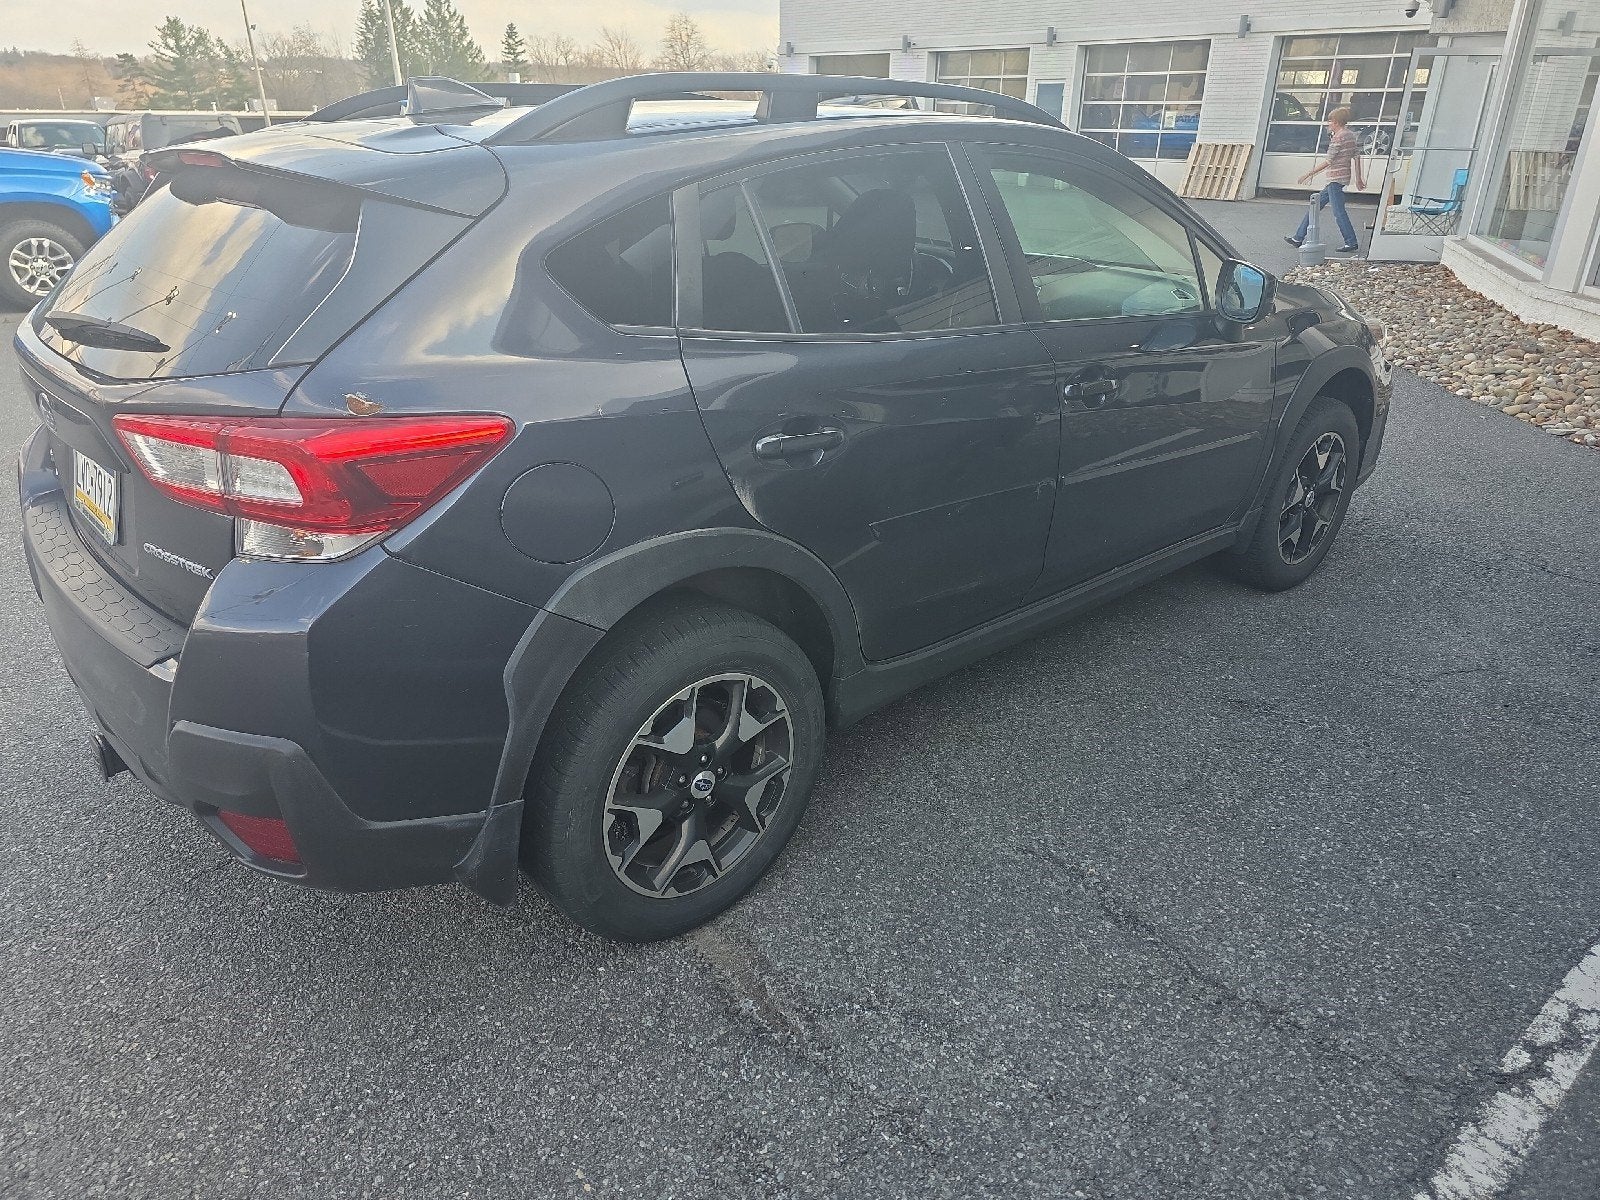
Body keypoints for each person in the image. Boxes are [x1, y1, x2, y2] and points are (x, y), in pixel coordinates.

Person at [1285, 106, 1366, 254]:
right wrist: (1358, 178)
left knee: (1339, 212)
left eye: (1330, 121)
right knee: (1315, 206)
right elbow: (1356, 156)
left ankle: (1351, 242)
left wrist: (1309, 174)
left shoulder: (1338, 137)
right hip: (1340, 178)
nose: (1328, 124)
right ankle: (1298, 237)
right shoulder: (1350, 135)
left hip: (1335, 179)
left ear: (1336, 122)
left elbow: (1329, 161)